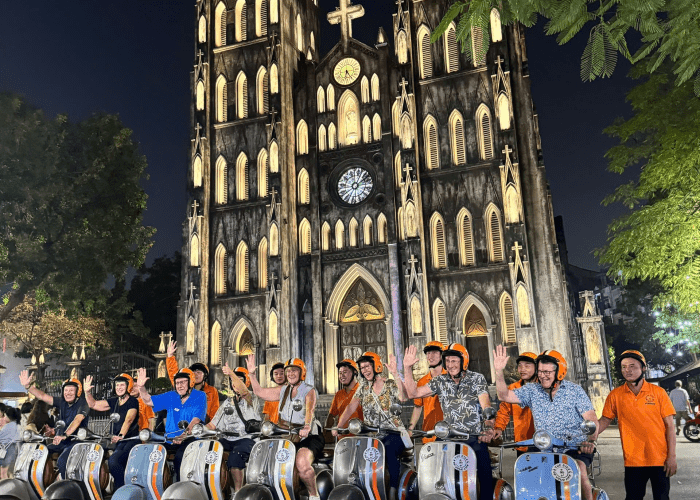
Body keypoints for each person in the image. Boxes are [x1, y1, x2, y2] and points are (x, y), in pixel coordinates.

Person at [493, 345, 598, 500]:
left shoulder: (574, 391)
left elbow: (592, 420)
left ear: (559, 372)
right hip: (543, 449)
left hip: (575, 448)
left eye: (547, 372)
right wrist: (498, 371)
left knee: (579, 470)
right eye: (540, 371)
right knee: (526, 476)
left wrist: (589, 441)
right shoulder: (532, 390)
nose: (542, 376)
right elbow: (504, 395)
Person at [400, 344, 495, 500]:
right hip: (447, 435)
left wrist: (489, 427)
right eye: (448, 361)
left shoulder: (477, 378)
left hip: (472, 435)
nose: (450, 365)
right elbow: (413, 393)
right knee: (433, 465)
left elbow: (486, 407)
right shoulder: (440, 381)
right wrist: (407, 368)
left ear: (464, 361)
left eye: (454, 361)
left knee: (484, 467)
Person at [598, 350, 676, 500]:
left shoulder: (658, 393)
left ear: (643, 368)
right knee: (633, 497)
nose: (628, 370)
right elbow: (604, 421)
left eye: (632, 366)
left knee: (662, 497)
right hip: (633, 460)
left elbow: (670, 427)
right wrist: (588, 436)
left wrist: (671, 457)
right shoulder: (615, 395)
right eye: (624, 367)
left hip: (660, 459)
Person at [247, 355, 323, 500]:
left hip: (309, 435)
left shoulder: (308, 390)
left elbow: (310, 410)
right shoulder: (283, 390)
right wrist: (252, 374)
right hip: (288, 435)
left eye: (294, 370)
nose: (290, 374)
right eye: (288, 371)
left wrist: (306, 426)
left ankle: (314, 495)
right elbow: (259, 392)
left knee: (302, 463)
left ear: (302, 373)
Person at [335, 351, 408, 500]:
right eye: (362, 368)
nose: (365, 370)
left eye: (367, 366)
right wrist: (339, 426)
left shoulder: (390, 384)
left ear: (377, 366)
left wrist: (395, 373)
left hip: (393, 433)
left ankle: (393, 489)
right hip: (370, 434)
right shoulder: (363, 388)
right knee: (357, 452)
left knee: (387, 449)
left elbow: (403, 396)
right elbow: (350, 407)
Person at [135, 366, 206, 480]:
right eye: (177, 383)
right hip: (169, 439)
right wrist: (141, 387)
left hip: (190, 439)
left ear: (191, 382)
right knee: (150, 454)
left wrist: (184, 435)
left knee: (180, 458)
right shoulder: (171, 396)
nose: (179, 385)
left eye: (182, 382)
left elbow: (196, 419)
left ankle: (181, 487)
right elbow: (148, 400)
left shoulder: (200, 396)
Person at [19, 370, 89, 479]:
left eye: (71, 390)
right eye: (66, 390)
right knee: (39, 453)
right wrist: (28, 387)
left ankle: (68, 487)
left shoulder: (83, 404)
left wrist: (64, 435)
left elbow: (77, 420)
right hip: (61, 441)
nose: (68, 392)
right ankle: (43, 483)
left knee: (62, 461)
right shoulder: (62, 402)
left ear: (78, 392)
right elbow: (42, 396)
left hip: (76, 442)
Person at [209, 363, 261, 493]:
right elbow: (213, 423)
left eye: (239, 381)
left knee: (235, 456)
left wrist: (231, 374)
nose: (235, 384)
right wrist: (198, 430)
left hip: (245, 439)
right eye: (233, 382)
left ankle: (238, 492)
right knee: (210, 452)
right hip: (226, 438)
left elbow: (243, 391)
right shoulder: (227, 402)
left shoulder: (252, 399)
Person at [83, 373, 139, 490]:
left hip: (131, 440)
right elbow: (93, 404)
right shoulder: (114, 402)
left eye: (122, 385)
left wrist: (121, 435)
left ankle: (123, 489)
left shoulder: (133, 401)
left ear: (128, 386)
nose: (119, 387)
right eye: (117, 385)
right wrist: (87, 392)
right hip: (118, 441)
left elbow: (128, 420)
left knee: (114, 461)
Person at [493, 351, 537, 454]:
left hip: (542, 443)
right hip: (522, 444)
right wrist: (498, 427)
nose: (522, 369)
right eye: (520, 366)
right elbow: (504, 410)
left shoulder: (544, 388)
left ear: (536, 367)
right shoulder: (513, 388)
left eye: (527, 366)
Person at [166, 339, 220, 423]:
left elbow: (215, 412)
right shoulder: (184, 388)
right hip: (183, 423)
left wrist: (210, 428)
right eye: (193, 372)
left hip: (202, 426)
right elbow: (174, 375)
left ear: (205, 376)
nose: (195, 375)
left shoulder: (212, 391)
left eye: (199, 372)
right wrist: (170, 357)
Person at [407, 341, 445, 443]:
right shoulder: (422, 381)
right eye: (428, 353)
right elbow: (418, 407)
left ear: (442, 355)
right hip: (429, 433)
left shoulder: (450, 378)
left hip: (447, 433)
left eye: (434, 353)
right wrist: (410, 429)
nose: (430, 356)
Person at [324, 358, 363, 436]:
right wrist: (326, 433)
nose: (342, 376)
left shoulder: (363, 391)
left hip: (361, 438)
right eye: (340, 373)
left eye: (345, 372)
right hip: (342, 439)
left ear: (355, 372)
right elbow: (332, 415)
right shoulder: (338, 394)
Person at [0, 406, 21, 479]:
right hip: (14, 450)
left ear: (9, 417)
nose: (4, 418)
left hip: (6, 451)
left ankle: (5, 488)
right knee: (8, 473)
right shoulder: (17, 425)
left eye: (5, 416)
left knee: (3, 473)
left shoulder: (8, 426)